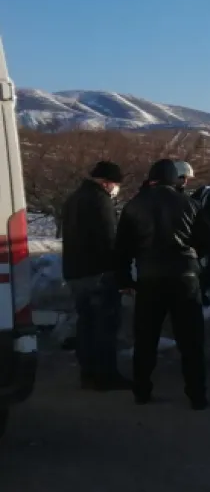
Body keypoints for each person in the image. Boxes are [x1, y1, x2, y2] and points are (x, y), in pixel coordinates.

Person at [116, 159, 210, 409]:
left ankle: (141, 390)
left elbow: (121, 249)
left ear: (151, 178)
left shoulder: (133, 206)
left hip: (149, 278)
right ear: (175, 179)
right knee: (191, 340)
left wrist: (125, 279)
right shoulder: (190, 204)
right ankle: (197, 395)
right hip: (184, 277)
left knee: (146, 338)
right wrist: (193, 254)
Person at [61, 161, 131, 391]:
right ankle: (106, 376)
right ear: (107, 182)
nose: (116, 189)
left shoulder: (74, 199)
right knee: (105, 326)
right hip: (98, 272)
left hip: (75, 271)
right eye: (115, 184)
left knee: (86, 324)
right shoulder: (100, 201)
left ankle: (88, 373)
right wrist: (121, 272)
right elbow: (110, 239)